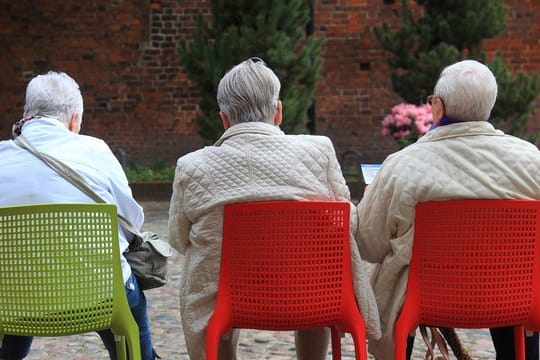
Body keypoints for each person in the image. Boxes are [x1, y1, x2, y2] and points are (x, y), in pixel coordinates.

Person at [168, 57, 381, 360]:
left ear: (224, 119)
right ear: (278, 111)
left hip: (230, 301)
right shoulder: (319, 151)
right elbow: (347, 222)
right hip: (313, 294)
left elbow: (178, 239)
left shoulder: (192, 166)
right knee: (317, 272)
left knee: (208, 277)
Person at [356, 59, 540, 360]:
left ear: (438, 107)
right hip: (512, 295)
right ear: (489, 106)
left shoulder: (403, 165)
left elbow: (368, 244)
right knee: (518, 283)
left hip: (425, 299)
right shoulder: (531, 160)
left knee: (395, 276)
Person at [0, 71, 157, 360]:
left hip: (15, 300)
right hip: (99, 297)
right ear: (74, 120)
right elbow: (133, 220)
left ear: (25, 115)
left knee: (16, 291)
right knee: (132, 308)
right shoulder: (96, 151)